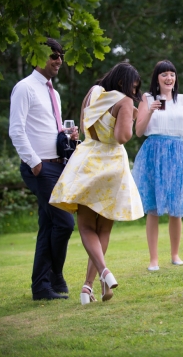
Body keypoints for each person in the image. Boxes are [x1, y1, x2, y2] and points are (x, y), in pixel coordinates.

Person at [49, 62, 144, 304]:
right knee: (103, 229)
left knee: (86, 227)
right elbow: (122, 137)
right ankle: (96, 279)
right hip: (112, 164)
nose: (134, 92)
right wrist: (132, 116)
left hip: (89, 161)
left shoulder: (93, 92)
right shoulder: (124, 101)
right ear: (123, 83)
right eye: (134, 87)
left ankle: (92, 283)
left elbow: (83, 125)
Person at [9, 38, 77, 300]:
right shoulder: (24, 88)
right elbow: (17, 130)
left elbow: (50, 130)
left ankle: (42, 286)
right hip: (40, 168)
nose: (58, 60)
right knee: (64, 223)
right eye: (53, 55)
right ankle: (56, 275)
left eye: (60, 55)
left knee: (49, 226)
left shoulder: (54, 92)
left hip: (58, 166)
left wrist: (67, 136)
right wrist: (34, 163)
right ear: (37, 57)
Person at [132, 60, 183, 271]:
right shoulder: (147, 98)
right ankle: (154, 260)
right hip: (154, 152)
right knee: (153, 208)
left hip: (177, 152)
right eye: (164, 75)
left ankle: (175, 254)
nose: (169, 78)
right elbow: (139, 131)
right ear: (157, 78)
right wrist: (150, 110)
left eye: (172, 74)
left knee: (176, 207)